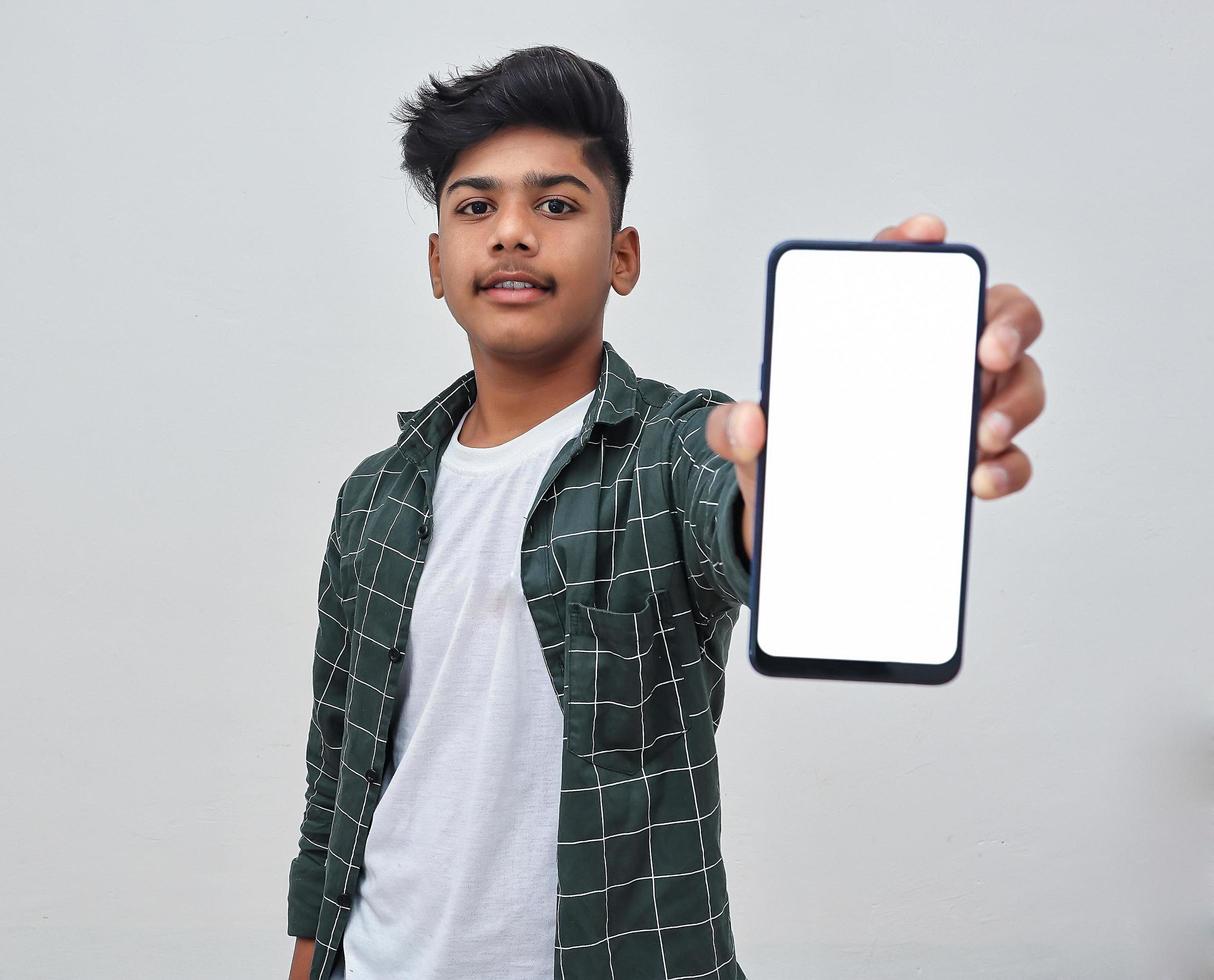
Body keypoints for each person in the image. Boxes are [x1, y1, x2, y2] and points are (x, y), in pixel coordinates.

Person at [285, 44, 1045, 980]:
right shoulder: (375, 495)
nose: (513, 231)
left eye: (556, 204)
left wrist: (857, 451)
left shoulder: (676, 450)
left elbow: (745, 510)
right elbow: (337, 777)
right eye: (476, 205)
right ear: (438, 261)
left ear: (623, 256)